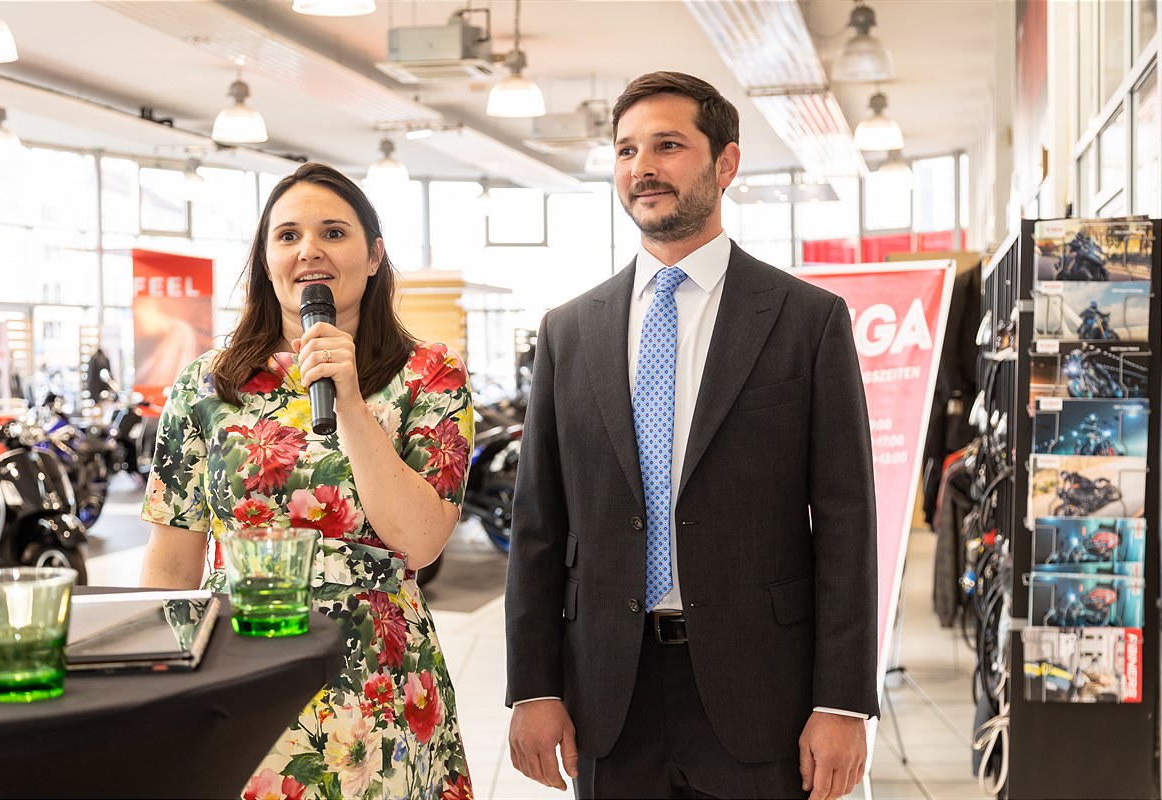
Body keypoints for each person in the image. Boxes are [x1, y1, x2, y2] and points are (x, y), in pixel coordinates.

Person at [504, 72, 879, 800]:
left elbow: (846, 522)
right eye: (625, 150)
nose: (642, 167)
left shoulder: (807, 322)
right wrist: (532, 687)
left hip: (761, 690)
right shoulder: (568, 332)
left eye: (667, 145)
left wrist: (841, 702)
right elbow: (538, 527)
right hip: (608, 692)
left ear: (725, 164)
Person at [138, 162, 474, 799]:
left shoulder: (428, 375)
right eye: (287, 235)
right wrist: (157, 687)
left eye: (334, 233)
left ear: (374, 255)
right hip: (235, 668)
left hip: (376, 677)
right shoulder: (207, 384)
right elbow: (171, 559)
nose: (309, 251)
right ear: (267, 261)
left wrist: (348, 401)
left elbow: (422, 540)